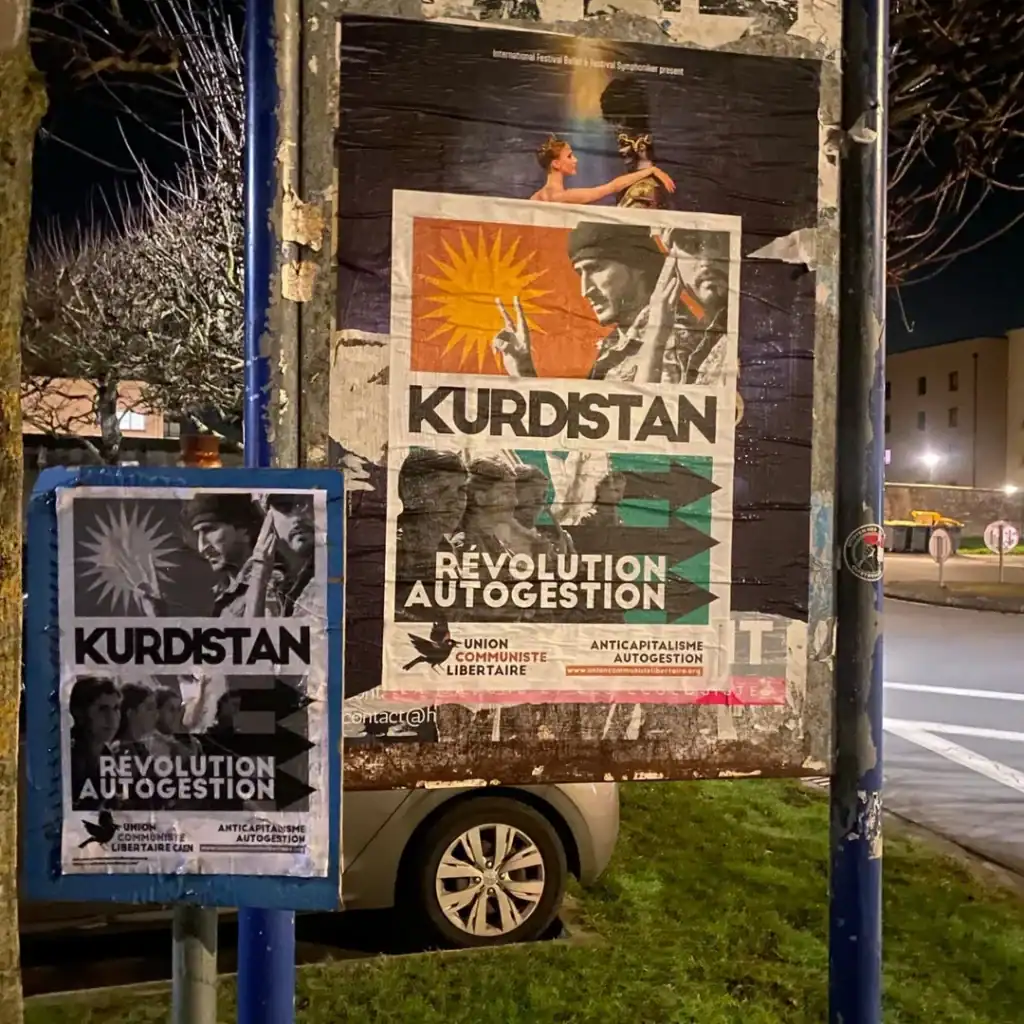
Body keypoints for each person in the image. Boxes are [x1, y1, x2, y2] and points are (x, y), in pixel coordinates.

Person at [491, 222, 729, 387]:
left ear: (637, 265)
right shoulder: (616, 345)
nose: (585, 290)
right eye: (580, 274)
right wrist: (523, 371)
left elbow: (650, 424)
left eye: (595, 269)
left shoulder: (674, 338)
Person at [530, 136, 676, 205]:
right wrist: (650, 170)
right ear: (556, 164)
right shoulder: (562, 197)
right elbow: (612, 187)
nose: (575, 160)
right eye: (569, 156)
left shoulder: (535, 198)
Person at [69, 675, 121, 809]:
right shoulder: (67, 755)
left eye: (116, 708)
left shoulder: (108, 757)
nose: (112, 718)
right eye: (102, 709)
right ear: (79, 713)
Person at [512, 464, 574, 556]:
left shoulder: (540, 541)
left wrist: (565, 555)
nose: (542, 505)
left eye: (544, 496)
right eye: (536, 496)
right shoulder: (498, 536)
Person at [615, 132, 671, 210]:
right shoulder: (654, 182)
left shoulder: (643, 189)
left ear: (641, 147)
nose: (620, 150)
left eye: (624, 144)